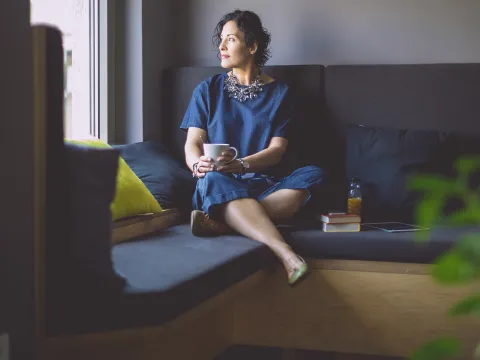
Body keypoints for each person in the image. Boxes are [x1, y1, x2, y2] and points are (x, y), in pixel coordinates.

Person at [180, 9, 323, 285]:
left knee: (315, 175)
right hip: (220, 184)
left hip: (264, 184)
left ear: (253, 46)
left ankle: (224, 222)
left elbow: (277, 150)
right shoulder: (206, 90)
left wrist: (242, 164)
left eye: (230, 40)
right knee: (212, 180)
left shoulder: (282, 94)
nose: (221, 47)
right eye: (221, 40)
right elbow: (193, 143)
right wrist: (197, 164)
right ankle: (287, 254)